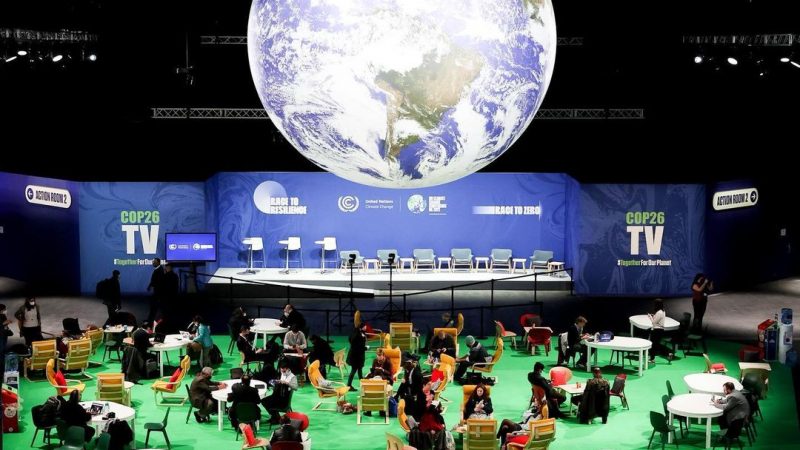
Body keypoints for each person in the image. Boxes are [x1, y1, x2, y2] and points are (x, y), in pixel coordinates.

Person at [648, 298, 672, 363]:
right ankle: (668, 353)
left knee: (653, 345)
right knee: (657, 344)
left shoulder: (659, 313)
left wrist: (650, 317)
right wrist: (654, 316)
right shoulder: (663, 311)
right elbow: (658, 320)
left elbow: (654, 322)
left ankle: (652, 359)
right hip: (660, 330)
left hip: (656, 330)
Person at [346, 322, 367, 391]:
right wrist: (365, 348)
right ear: (361, 327)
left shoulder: (359, 333)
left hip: (358, 356)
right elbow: (358, 347)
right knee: (354, 370)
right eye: (365, 326)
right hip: (355, 357)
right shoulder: (357, 335)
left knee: (360, 370)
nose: (366, 327)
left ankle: (362, 384)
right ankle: (349, 385)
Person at [146, 258, 165, 323]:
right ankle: (151, 319)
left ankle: (151, 320)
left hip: (159, 291)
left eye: (154, 262)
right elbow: (154, 279)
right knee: (154, 306)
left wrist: (151, 286)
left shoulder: (160, 270)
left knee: (155, 306)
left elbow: (159, 281)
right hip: (157, 291)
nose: (153, 263)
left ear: (158, 262)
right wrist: (150, 286)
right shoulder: (157, 269)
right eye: (153, 261)